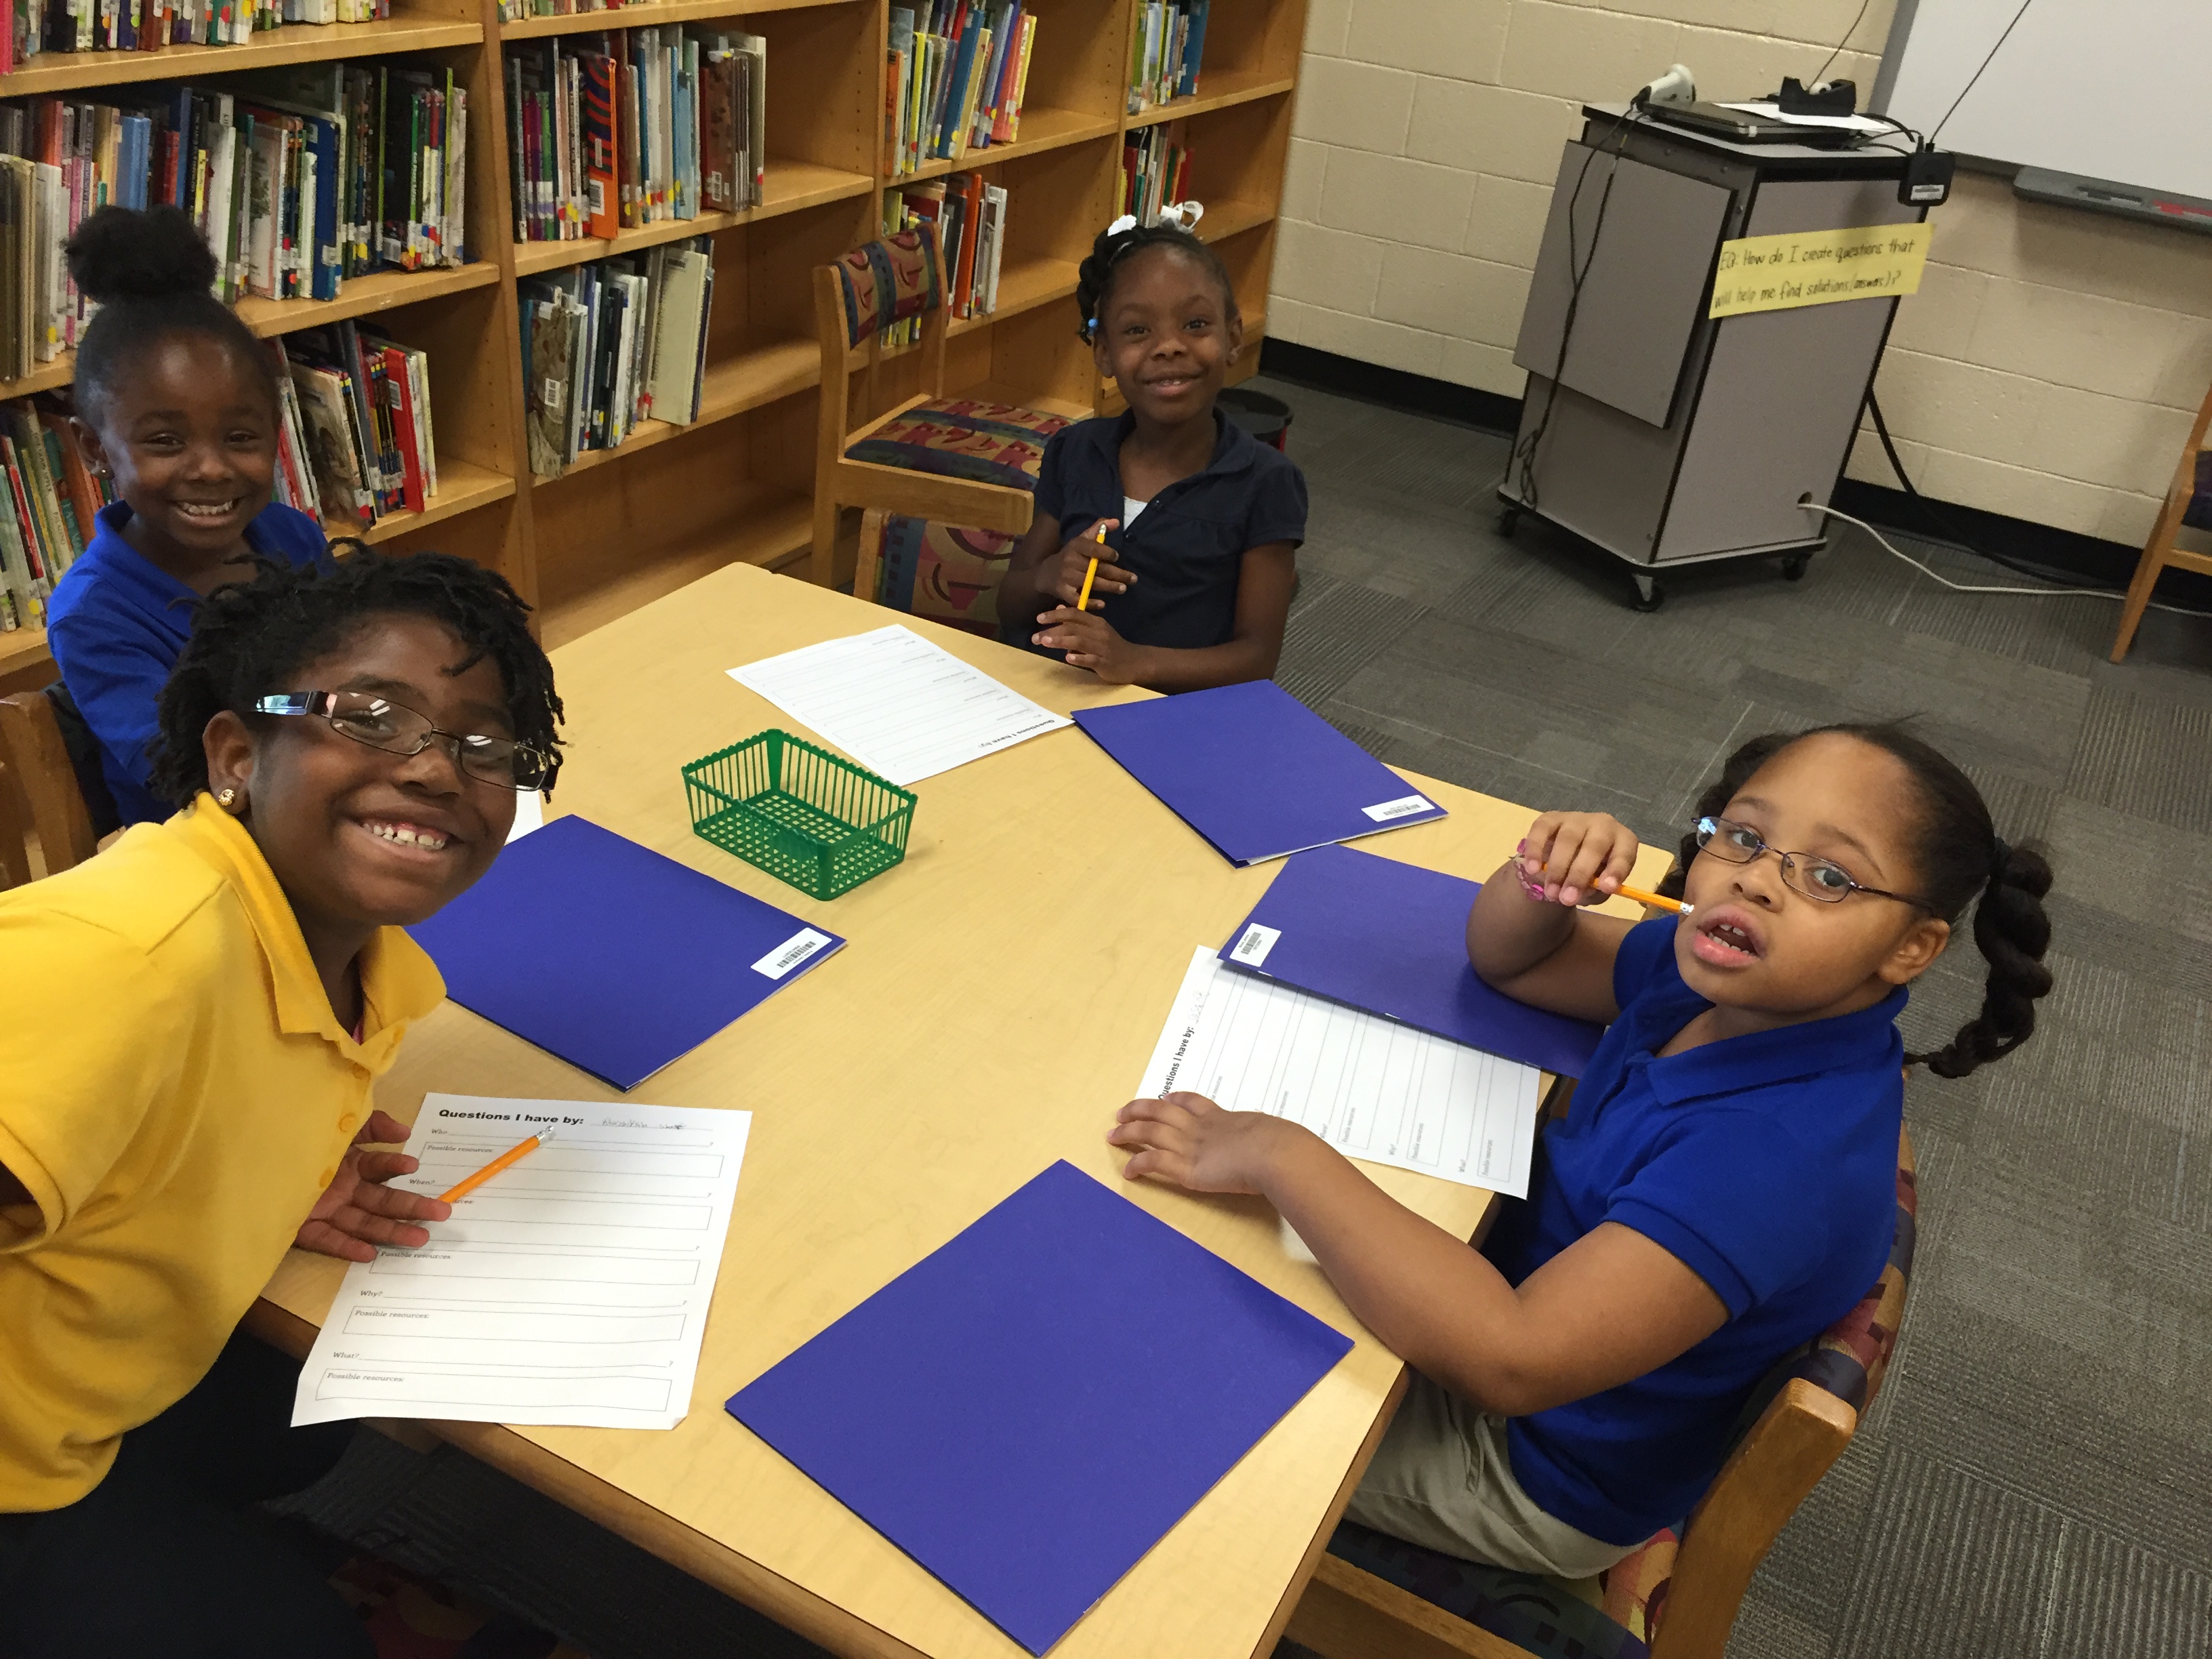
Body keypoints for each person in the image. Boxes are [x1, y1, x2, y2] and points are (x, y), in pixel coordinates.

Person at [1108, 722, 2054, 1574]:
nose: (1757, 880)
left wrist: (1284, 1156)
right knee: (1183, 1269)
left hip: (1528, 1466)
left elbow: (1510, 1360)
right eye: (1746, 836)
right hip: (1516, 1300)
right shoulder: (1723, 985)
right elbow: (1515, 962)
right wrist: (1539, 886)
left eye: (1831, 877)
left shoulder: (1770, 1161)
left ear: (1911, 948)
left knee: (1152, 1385)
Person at [0, 550, 563, 1657]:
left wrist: (248, 1178)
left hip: (89, 1375)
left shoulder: (349, 963)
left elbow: (190, 1102)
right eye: (373, 716)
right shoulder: (124, 962)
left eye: (480, 744)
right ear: (235, 755)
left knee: (301, 1429)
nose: (437, 769)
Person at [45, 203, 333, 829]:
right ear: (95, 450)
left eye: (240, 437)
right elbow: (185, 776)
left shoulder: (293, 536)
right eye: (165, 443)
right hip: (203, 846)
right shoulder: (94, 614)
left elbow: (351, 669)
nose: (210, 469)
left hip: (319, 804)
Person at [995, 220, 1307, 691]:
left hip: (1171, 719)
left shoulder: (1265, 482)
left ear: (1234, 336)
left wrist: (1136, 663)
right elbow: (1009, 604)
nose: (1168, 347)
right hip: (1048, 696)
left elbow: (1256, 659)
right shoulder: (1077, 450)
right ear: (1103, 352)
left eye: (1196, 324)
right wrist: (1047, 575)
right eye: (1138, 330)